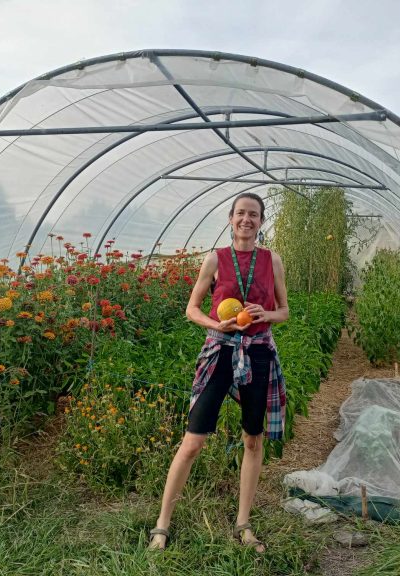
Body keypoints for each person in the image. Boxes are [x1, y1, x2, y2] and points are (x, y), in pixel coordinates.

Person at [148, 192, 289, 553]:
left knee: (252, 439)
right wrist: (217, 324)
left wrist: (264, 314)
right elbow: (191, 309)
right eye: (241, 213)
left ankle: (243, 522)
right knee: (193, 441)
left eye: (254, 214)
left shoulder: (273, 261)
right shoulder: (215, 259)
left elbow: (284, 311)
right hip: (220, 352)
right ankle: (162, 524)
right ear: (230, 219)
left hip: (257, 354)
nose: (247, 219)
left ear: (261, 221)